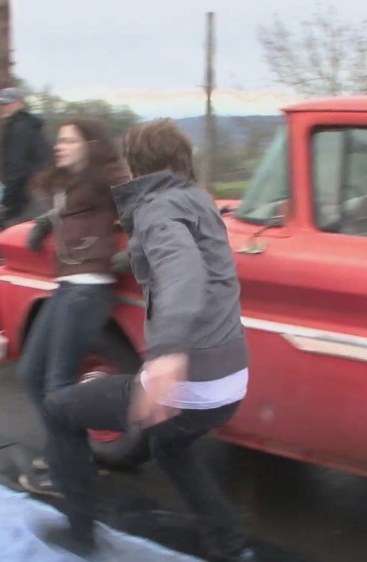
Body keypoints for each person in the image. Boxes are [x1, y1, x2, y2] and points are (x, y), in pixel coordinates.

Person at [36, 119, 257, 562]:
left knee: (58, 409)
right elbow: (188, 256)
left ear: (136, 166)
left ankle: (80, 533)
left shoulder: (158, 210)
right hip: (231, 378)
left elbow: (182, 272)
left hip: (191, 376)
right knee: (167, 445)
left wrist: (166, 356)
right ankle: (230, 543)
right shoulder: (198, 201)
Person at [15, 117, 130, 494]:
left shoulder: (108, 176)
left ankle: (68, 471)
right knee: (31, 372)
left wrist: (137, 252)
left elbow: (146, 209)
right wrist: (44, 223)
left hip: (89, 288)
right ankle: (68, 454)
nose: (58, 146)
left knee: (57, 384)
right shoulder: (69, 181)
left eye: (68, 140)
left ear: (90, 145)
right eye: (59, 140)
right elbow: (65, 210)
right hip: (67, 285)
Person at [0, 87, 53, 226]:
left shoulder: (18, 129)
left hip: (26, 200)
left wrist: (6, 201)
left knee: (16, 234)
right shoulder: (32, 127)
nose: (1, 108)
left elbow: (15, 167)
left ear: (19, 104)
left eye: (6, 104)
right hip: (39, 196)